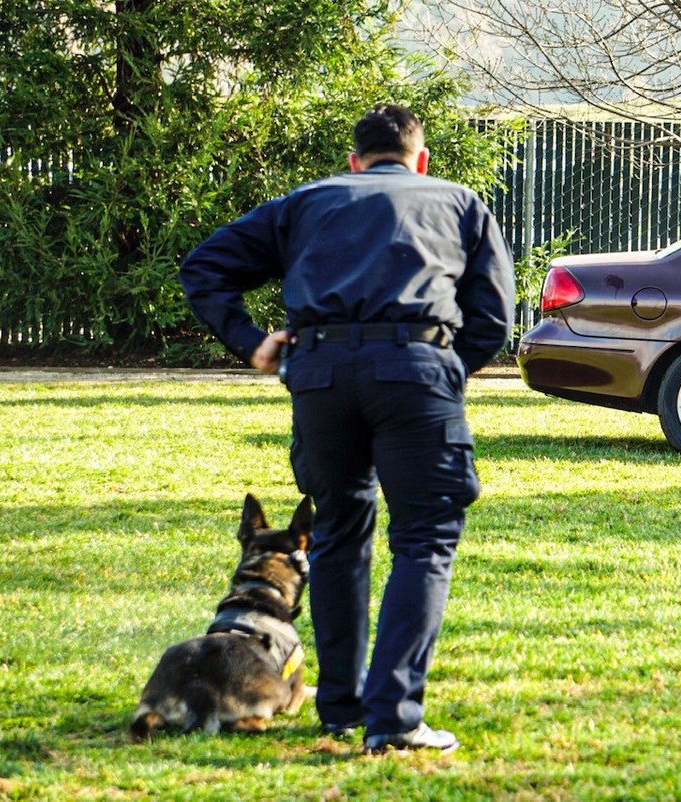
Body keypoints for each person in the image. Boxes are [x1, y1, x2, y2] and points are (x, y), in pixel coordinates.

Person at [179, 104, 515, 755]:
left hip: (321, 373)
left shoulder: (306, 202)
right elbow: (492, 314)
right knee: (423, 538)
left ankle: (339, 707)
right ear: (420, 158)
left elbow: (204, 267)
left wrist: (251, 343)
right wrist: (443, 369)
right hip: (416, 366)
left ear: (354, 160)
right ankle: (393, 718)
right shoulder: (459, 202)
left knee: (336, 534)